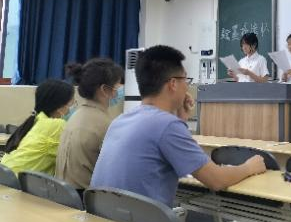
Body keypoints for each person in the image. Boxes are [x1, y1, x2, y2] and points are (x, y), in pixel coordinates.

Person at [91, 44, 266, 208]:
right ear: (173, 84)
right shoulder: (167, 125)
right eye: (185, 79)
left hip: (105, 219)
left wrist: (181, 118)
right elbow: (216, 180)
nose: (187, 86)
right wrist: (249, 167)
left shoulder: (120, 121)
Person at [55, 58, 124, 190]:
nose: (120, 90)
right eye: (117, 86)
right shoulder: (106, 125)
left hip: (65, 195)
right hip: (87, 198)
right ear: (104, 89)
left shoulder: (75, 116)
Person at [1, 79, 75, 175]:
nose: (74, 107)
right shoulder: (56, 125)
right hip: (17, 180)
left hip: (7, 175)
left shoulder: (37, 119)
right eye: (71, 103)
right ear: (59, 107)